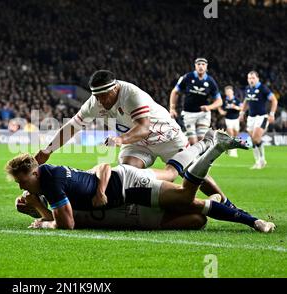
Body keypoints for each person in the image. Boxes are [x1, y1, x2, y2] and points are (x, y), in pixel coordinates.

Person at [35, 70, 236, 210]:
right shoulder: (94, 103)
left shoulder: (130, 94)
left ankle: (226, 204)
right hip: (136, 143)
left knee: (193, 172)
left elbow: (143, 127)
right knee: (127, 173)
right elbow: (72, 126)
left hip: (164, 136)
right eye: (97, 97)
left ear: (114, 89)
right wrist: (47, 150)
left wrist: (120, 139)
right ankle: (142, 208)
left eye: (104, 95)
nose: (101, 101)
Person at [7, 131, 275, 233]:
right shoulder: (50, 178)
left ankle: (214, 148)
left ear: (33, 173)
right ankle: (207, 143)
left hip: (128, 185)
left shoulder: (51, 184)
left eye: (21, 181)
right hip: (126, 189)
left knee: (184, 196)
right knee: (178, 184)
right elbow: (98, 168)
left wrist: (43, 220)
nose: (21, 188)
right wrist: (38, 209)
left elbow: (67, 224)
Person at [169, 58, 223, 144]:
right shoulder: (187, 77)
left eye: (203, 64)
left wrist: (209, 107)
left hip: (203, 114)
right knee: (192, 142)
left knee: (202, 139)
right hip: (188, 114)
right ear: (195, 66)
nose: (201, 66)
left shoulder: (210, 81)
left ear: (206, 66)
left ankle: (201, 157)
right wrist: (172, 108)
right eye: (198, 64)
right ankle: (195, 156)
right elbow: (175, 92)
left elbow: (219, 101)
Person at [239, 71, 278, 169]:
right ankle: (258, 162)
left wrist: (272, 114)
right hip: (251, 118)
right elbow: (246, 101)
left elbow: (274, 100)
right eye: (249, 78)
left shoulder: (263, 88)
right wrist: (242, 113)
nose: (251, 80)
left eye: (253, 78)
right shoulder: (248, 89)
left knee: (256, 138)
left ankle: (262, 160)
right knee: (253, 141)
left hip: (262, 117)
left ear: (257, 79)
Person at [218, 86, 242, 157]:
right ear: (225, 93)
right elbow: (221, 109)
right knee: (231, 133)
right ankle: (232, 150)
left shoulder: (237, 100)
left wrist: (235, 107)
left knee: (236, 134)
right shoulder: (225, 101)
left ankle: (233, 148)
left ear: (232, 92)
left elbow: (241, 107)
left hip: (236, 119)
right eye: (227, 91)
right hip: (228, 119)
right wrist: (220, 110)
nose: (228, 93)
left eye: (229, 91)